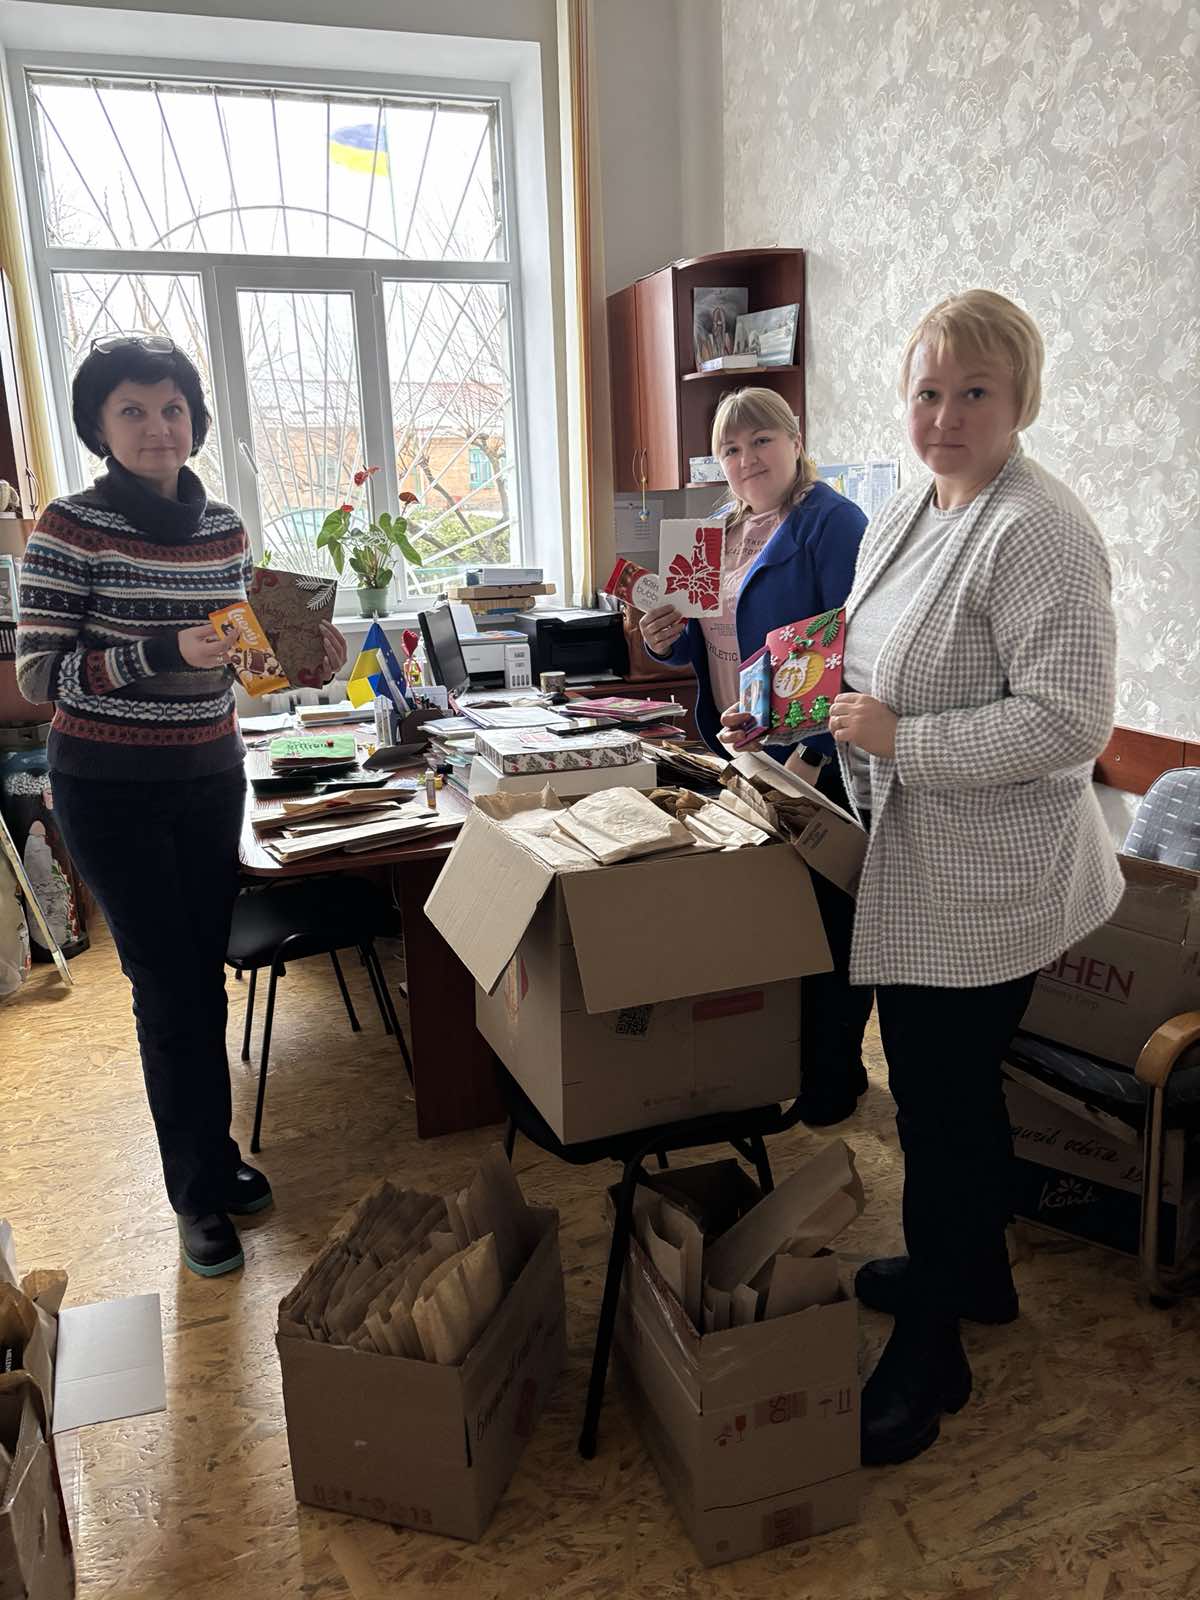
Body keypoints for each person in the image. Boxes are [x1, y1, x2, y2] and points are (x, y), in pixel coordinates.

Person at [825, 290, 1122, 1465]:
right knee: (946, 1095)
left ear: (1021, 401)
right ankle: (978, 1274)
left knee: (939, 1113)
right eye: (928, 391)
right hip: (921, 861)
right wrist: (802, 713)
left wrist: (906, 742)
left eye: (975, 392)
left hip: (990, 884)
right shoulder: (913, 506)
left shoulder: (1038, 530)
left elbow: (1069, 720)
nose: (945, 415)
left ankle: (930, 1354)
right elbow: (872, 659)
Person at [16, 332, 348, 1278]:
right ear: (98, 425)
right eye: (132, 409)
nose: (157, 427)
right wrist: (162, 652)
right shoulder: (68, 527)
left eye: (172, 408)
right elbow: (39, 677)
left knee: (202, 976)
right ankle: (195, 1194)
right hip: (110, 791)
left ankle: (216, 1157)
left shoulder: (224, 529)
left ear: (194, 420)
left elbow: (244, 664)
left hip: (209, 777)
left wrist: (302, 661)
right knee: (167, 989)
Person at [640, 386, 872, 1123]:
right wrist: (661, 637)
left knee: (827, 919)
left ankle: (833, 1079)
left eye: (761, 441)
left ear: (796, 440)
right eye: (731, 449)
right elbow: (700, 637)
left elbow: (854, 647)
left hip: (815, 760)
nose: (747, 460)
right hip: (739, 751)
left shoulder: (831, 522)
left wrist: (806, 745)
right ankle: (792, 1063)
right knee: (776, 917)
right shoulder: (714, 532)